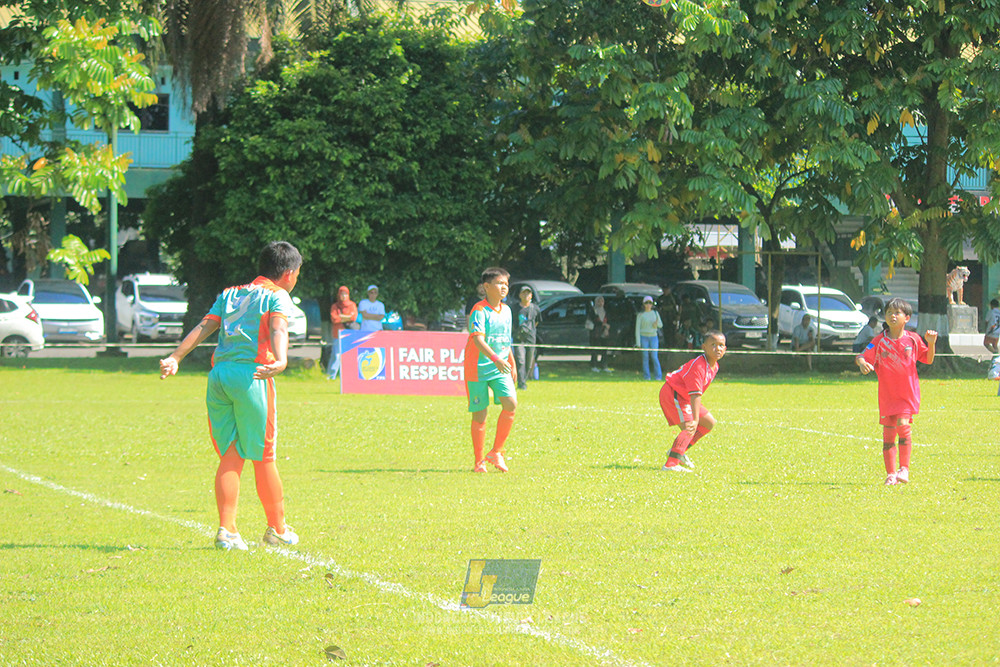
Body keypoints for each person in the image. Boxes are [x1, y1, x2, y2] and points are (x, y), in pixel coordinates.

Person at [159, 241, 302, 550]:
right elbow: (278, 328)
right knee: (264, 455)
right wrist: (281, 358)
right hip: (251, 376)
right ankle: (277, 529)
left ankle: (228, 531)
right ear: (289, 273)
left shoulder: (230, 293)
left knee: (233, 452)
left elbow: (204, 327)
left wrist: (176, 357)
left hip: (219, 376)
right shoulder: (278, 296)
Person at [856, 298, 937, 486]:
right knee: (888, 435)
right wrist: (862, 364)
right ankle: (891, 474)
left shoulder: (914, 339)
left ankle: (904, 469)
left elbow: (928, 359)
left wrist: (931, 343)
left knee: (903, 424)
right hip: (887, 396)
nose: (893, 316)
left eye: (897, 313)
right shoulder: (879, 341)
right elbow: (862, 355)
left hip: (907, 394)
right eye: (889, 312)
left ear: (906, 318)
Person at [465, 267, 517, 473]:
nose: (504, 287)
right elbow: (477, 340)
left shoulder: (507, 310)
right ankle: (479, 462)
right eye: (499, 283)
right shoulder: (479, 310)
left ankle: (496, 452)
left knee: (511, 403)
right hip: (477, 368)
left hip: (500, 366)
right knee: (480, 415)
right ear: (486, 287)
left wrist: (510, 362)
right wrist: (496, 359)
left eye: (506, 283)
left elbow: (506, 339)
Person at [659, 331, 727, 472]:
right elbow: (695, 394)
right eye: (713, 345)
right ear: (704, 347)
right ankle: (670, 464)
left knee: (709, 423)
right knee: (691, 426)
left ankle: (678, 451)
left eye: (721, 345)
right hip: (673, 393)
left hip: (684, 396)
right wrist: (695, 419)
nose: (718, 349)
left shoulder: (714, 365)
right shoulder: (699, 366)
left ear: (725, 349)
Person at [513, 286, 541, 390]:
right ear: (520, 295)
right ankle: (521, 384)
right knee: (520, 360)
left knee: (529, 362)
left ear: (531, 296)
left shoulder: (535, 308)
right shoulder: (514, 308)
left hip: (531, 337)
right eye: (524, 293)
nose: (526, 295)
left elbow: (537, 322)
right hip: (518, 337)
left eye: (528, 293)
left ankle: (524, 380)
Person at [326, 285, 358, 379]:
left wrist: (341, 317)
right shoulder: (335, 306)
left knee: (348, 355)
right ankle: (331, 375)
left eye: (345, 294)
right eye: (341, 294)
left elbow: (353, 318)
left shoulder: (352, 305)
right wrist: (346, 317)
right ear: (338, 295)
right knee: (336, 355)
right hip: (337, 333)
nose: (343, 296)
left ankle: (346, 375)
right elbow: (334, 319)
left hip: (348, 333)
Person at [635, 296, 663, 380]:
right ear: (643, 304)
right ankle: (647, 376)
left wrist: (656, 325)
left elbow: (660, 325)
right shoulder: (640, 315)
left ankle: (658, 376)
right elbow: (637, 329)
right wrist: (638, 343)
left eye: (650, 303)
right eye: (646, 303)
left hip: (653, 337)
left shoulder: (655, 313)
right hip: (644, 337)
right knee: (645, 357)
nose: (648, 305)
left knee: (654, 356)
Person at [587, 295, 612, 372]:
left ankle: (604, 366)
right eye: (599, 301)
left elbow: (609, 321)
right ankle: (594, 365)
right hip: (595, 334)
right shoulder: (593, 311)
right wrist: (603, 325)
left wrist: (607, 328)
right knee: (595, 350)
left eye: (602, 301)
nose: (600, 303)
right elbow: (594, 321)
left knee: (604, 350)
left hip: (604, 333)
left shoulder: (605, 311)